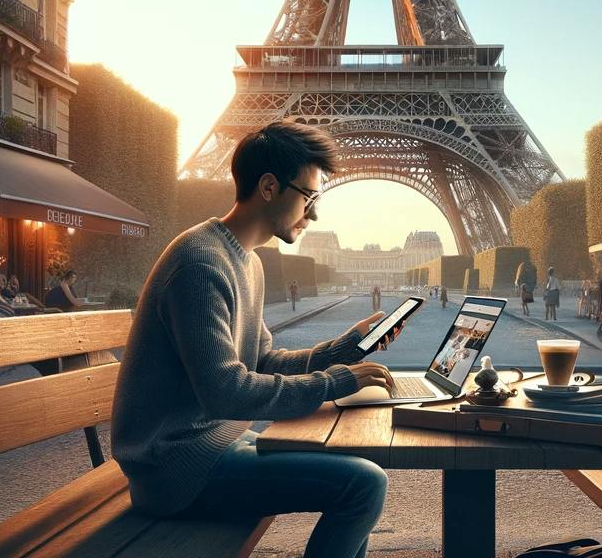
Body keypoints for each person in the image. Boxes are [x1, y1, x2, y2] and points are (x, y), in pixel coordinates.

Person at [111, 120, 397, 558]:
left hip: (210, 448)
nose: (315, 212)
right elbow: (225, 391)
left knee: (360, 475)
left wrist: (346, 347)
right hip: (176, 470)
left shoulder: (246, 261)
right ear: (268, 186)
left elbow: (262, 360)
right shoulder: (201, 265)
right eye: (309, 196)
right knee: (364, 483)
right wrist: (339, 381)